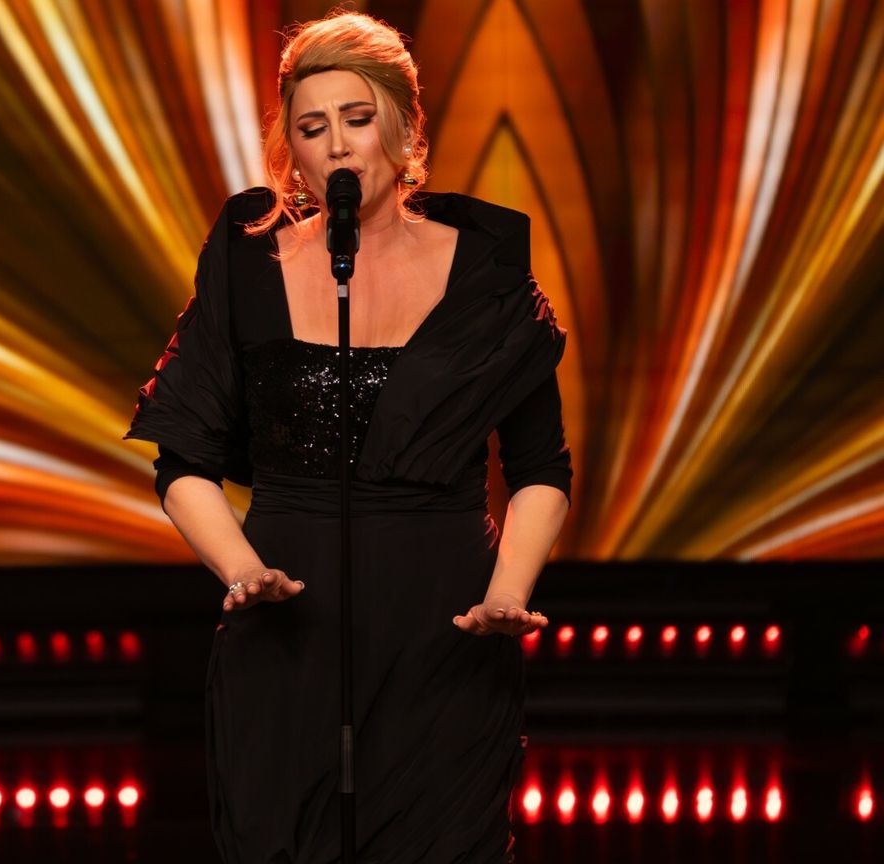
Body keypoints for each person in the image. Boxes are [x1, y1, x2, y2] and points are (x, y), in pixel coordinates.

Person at [127, 11, 571, 863]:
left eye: (357, 119)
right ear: (290, 151)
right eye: (311, 127)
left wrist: (507, 593)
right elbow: (183, 456)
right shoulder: (247, 262)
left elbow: (540, 466)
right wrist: (243, 571)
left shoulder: (486, 270)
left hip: (445, 632)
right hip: (285, 633)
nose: (336, 145)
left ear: (404, 131)